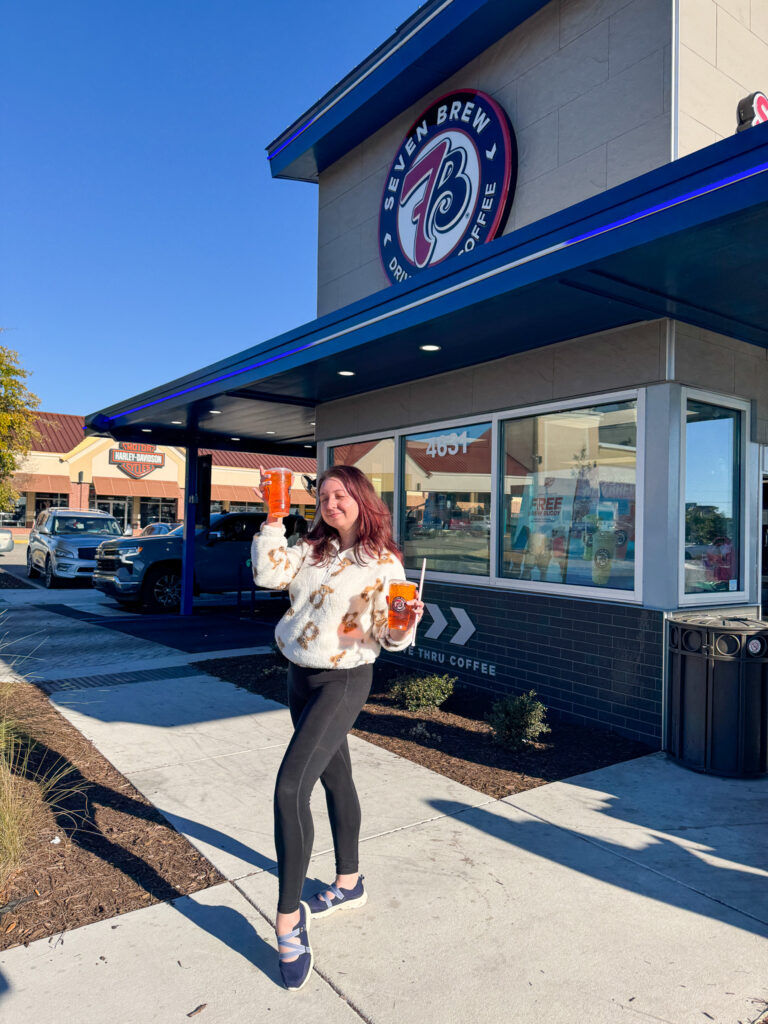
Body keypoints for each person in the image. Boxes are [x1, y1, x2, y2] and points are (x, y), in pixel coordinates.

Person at [251, 465, 423, 991]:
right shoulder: (312, 547)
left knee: (290, 787)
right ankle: (349, 882)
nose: (330, 502)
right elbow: (268, 576)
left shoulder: (383, 563)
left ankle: (287, 920)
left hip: (344, 680)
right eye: (323, 495)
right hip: (299, 675)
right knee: (334, 777)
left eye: (340, 494)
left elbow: (389, 637)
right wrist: (274, 520)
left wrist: (403, 625)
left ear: (361, 499)